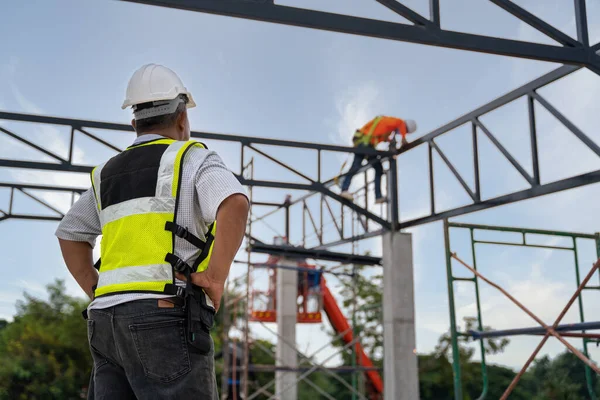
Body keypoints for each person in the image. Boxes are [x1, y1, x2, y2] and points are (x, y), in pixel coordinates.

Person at [55, 63, 249, 399]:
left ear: (134, 123)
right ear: (182, 118)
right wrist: (216, 278)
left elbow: (70, 231)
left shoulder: (105, 173)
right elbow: (234, 202)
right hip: (165, 313)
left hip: (105, 322)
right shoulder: (191, 158)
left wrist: (95, 287)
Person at [340, 115, 417, 203]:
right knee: (377, 169)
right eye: (405, 131)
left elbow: (380, 134)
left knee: (357, 167)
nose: (402, 132)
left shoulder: (388, 123)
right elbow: (401, 124)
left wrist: (389, 140)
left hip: (364, 144)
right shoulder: (398, 122)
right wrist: (403, 140)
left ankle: (344, 189)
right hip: (366, 144)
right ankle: (377, 196)